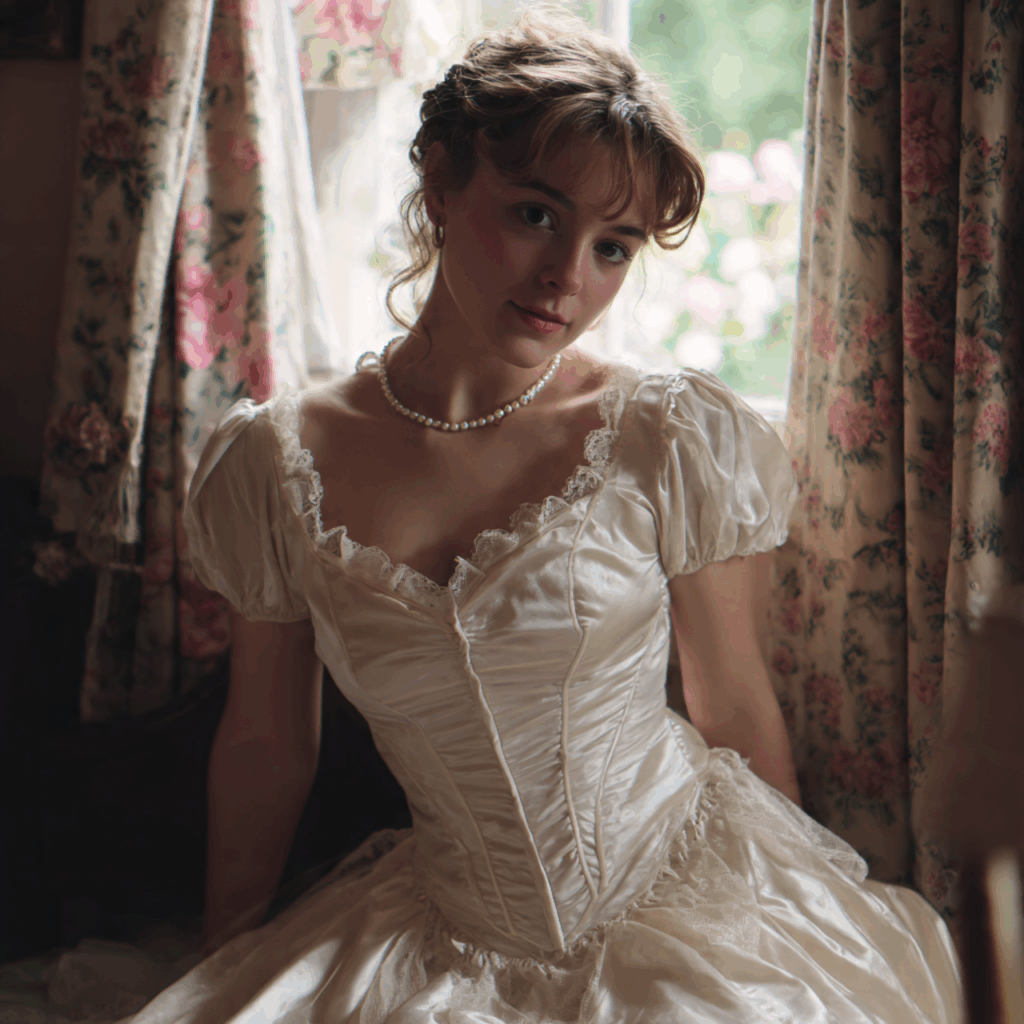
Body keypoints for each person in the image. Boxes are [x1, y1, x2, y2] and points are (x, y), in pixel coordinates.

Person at [10, 8, 964, 1023]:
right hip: (443, 938)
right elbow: (265, 742)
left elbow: (730, 701)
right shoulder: (271, 465)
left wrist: (791, 914)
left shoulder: (665, 434)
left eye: (614, 246)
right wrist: (223, 963)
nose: (568, 279)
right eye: (536, 215)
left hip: (682, 907)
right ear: (440, 179)